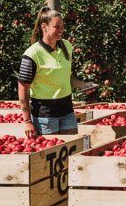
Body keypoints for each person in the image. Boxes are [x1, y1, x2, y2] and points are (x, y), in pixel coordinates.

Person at [17, 7, 95, 138]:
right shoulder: (32, 54)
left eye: (62, 26)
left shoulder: (67, 46)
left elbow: (66, 76)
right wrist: (27, 121)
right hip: (45, 115)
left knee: (71, 150)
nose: (61, 30)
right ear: (44, 27)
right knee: (50, 153)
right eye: (56, 27)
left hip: (67, 111)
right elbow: (22, 89)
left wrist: (83, 85)